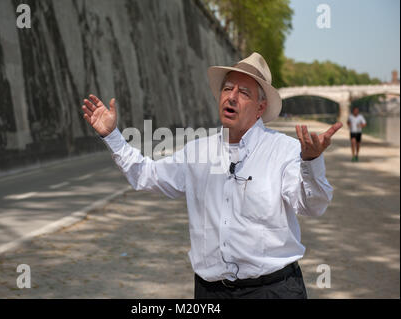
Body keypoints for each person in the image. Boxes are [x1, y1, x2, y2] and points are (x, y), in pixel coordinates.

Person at [81, 52, 343, 299]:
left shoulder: (285, 150)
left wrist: (311, 160)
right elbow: (145, 175)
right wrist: (111, 135)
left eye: (243, 93)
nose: (231, 97)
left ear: (260, 107)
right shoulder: (197, 151)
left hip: (273, 290)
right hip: (209, 293)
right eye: (227, 89)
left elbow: (313, 205)